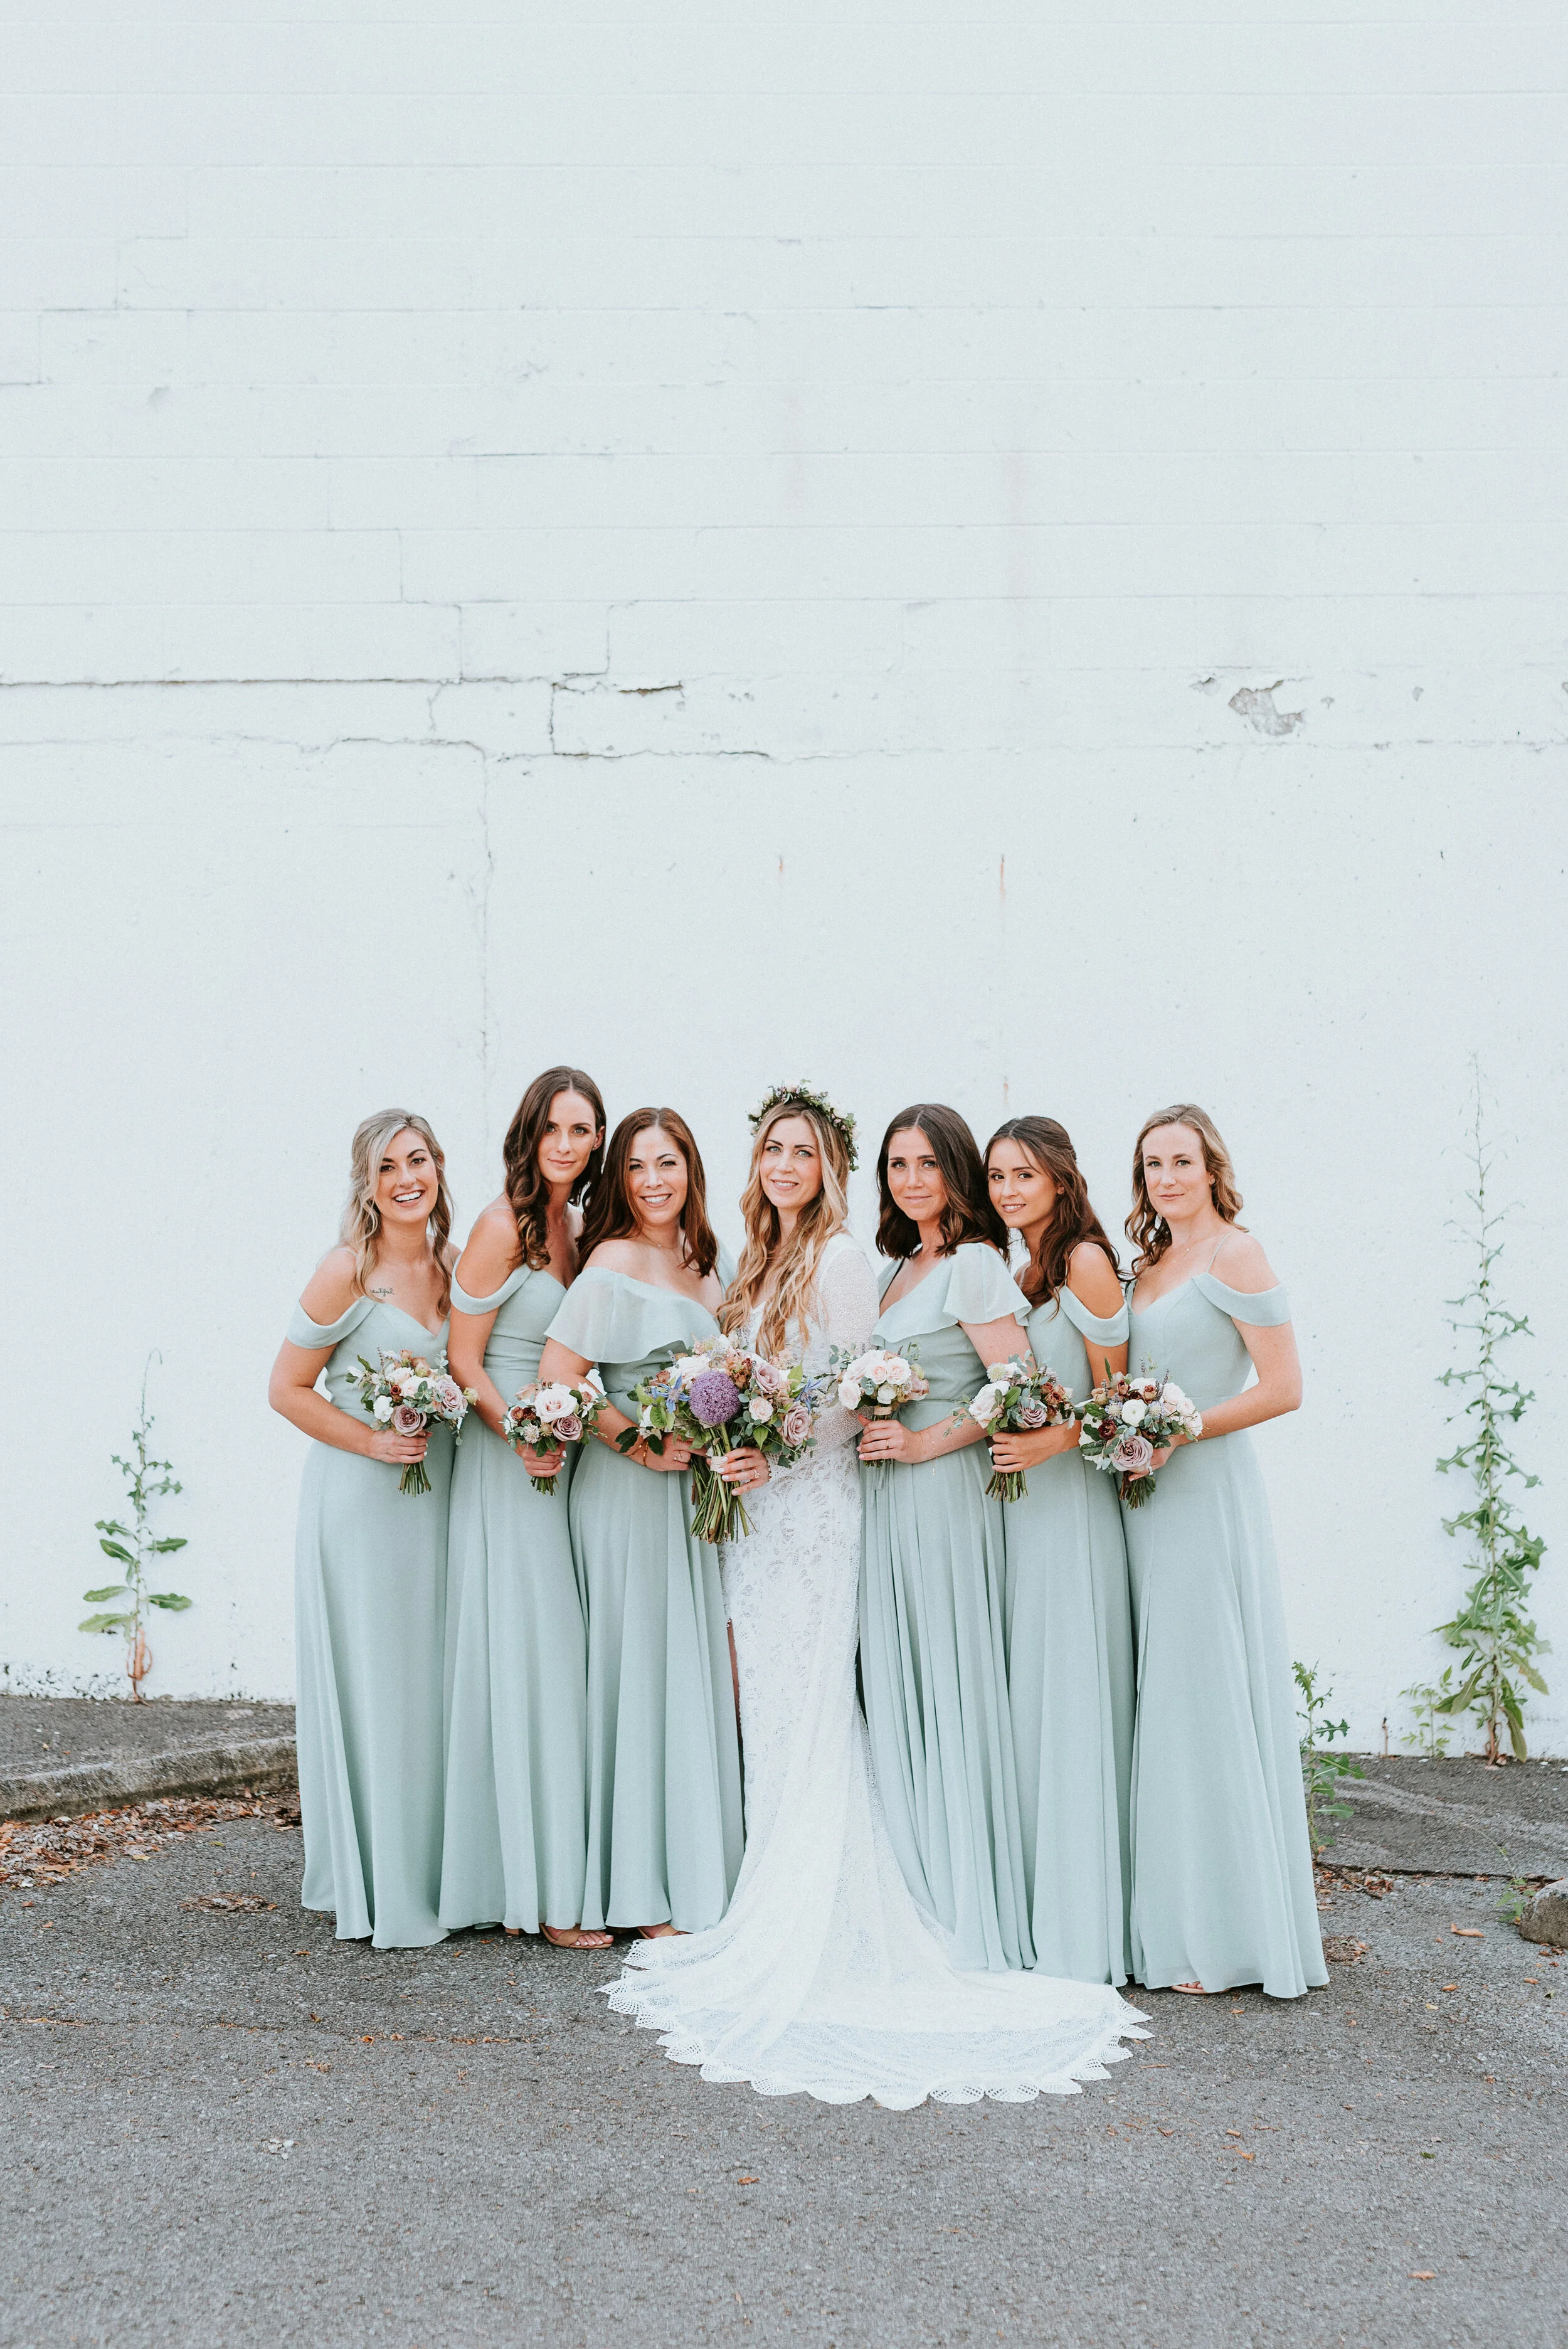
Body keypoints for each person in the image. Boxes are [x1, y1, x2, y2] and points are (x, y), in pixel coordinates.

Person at [603, 1083, 1149, 2106]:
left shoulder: (856, 1261)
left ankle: (822, 1902)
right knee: (775, 1701)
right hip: (766, 1508)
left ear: (831, 1168)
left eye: (806, 1152)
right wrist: (730, 1434)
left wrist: (774, 1447)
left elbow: (846, 1395)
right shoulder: (820, 1262)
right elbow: (803, 1378)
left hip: (816, 1508)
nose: (785, 1166)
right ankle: (772, 1876)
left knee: (810, 1699)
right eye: (773, 1148)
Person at [1121, 1103, 1325, 1998]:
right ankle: (1167, 1915)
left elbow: (1284, 1389)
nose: (1167, 1177)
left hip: (1202, 1493)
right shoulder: (1150, 1264)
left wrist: (1181, 1429)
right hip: (1140, 1495)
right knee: (1157, 1699)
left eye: (1181, 1161)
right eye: (1152, 1165)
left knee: (1201, 1700)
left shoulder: (1235, 1252)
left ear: (1212, 1168)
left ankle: (1228, 1937)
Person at [535, 1109, 743, 1939]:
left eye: (671, 1163)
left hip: (689, 1498)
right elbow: (564, 1379)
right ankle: (626, 1888)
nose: (656, 1180)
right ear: (619, 1180)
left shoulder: (701, 1264)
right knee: (630, 1678)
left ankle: (675, 1875)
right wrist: (636, 1444)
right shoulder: (611, 1264)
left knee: (677, 1675)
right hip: (627, 1496)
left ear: (691, 1169)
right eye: (638, 1167)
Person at [268, 1110, 457, 1949]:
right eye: (388, 1168)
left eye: (418, 1160)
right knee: (378, 1677)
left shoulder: (454, 1270)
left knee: (428, 1682)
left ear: (439, 1168)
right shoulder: (346, 1271)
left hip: (436, 1499)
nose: (406, 1178)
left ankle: (434, 1868)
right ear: (367, 1184)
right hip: (362, 1500)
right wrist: (377, 1440)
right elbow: (287, 1388)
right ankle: (376, 1881)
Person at [440, 1066, 612, 1950]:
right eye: (554, 1128)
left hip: (560, 1457)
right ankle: (536, 1894)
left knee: (555, 1658)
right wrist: (519, 1434)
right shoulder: (500, 1223)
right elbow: (463, 1357)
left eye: (582, 1131)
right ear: (529, 1132)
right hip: (508, 1460)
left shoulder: (576, 1230)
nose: (566, 1145)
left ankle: (545, 1869)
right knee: (527, 1651)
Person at [987, 1116, 1135, 1986]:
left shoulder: (1083, 1260)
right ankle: (1045, 1907)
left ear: (1060, 1181)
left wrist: (1048, 1446)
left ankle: (1084, 1925)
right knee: (1035, 1700)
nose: (1008, 1191)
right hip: (1023, 1513)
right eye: (1000, 1177)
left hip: (1071, 1508)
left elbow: (1120, 1404)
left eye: (1024, 1177)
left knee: (1070, 1697)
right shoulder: (1020, 1270)